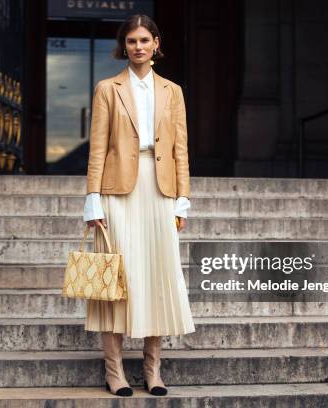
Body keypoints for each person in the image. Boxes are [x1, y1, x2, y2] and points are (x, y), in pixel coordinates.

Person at [82, 14, 195, 397]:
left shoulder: (172, 91)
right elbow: (97, 148)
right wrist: (92, 201)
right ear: (124, 46)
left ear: (157, 43)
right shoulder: (107, 89)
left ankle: (153, 370)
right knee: (118, 279)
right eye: (131, 41)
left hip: (160, 189)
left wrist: (183, 200)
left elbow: (181, 149)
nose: (138, 47)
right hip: (117, 191)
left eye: (145, 40)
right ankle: (114, 372)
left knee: (158, 278)